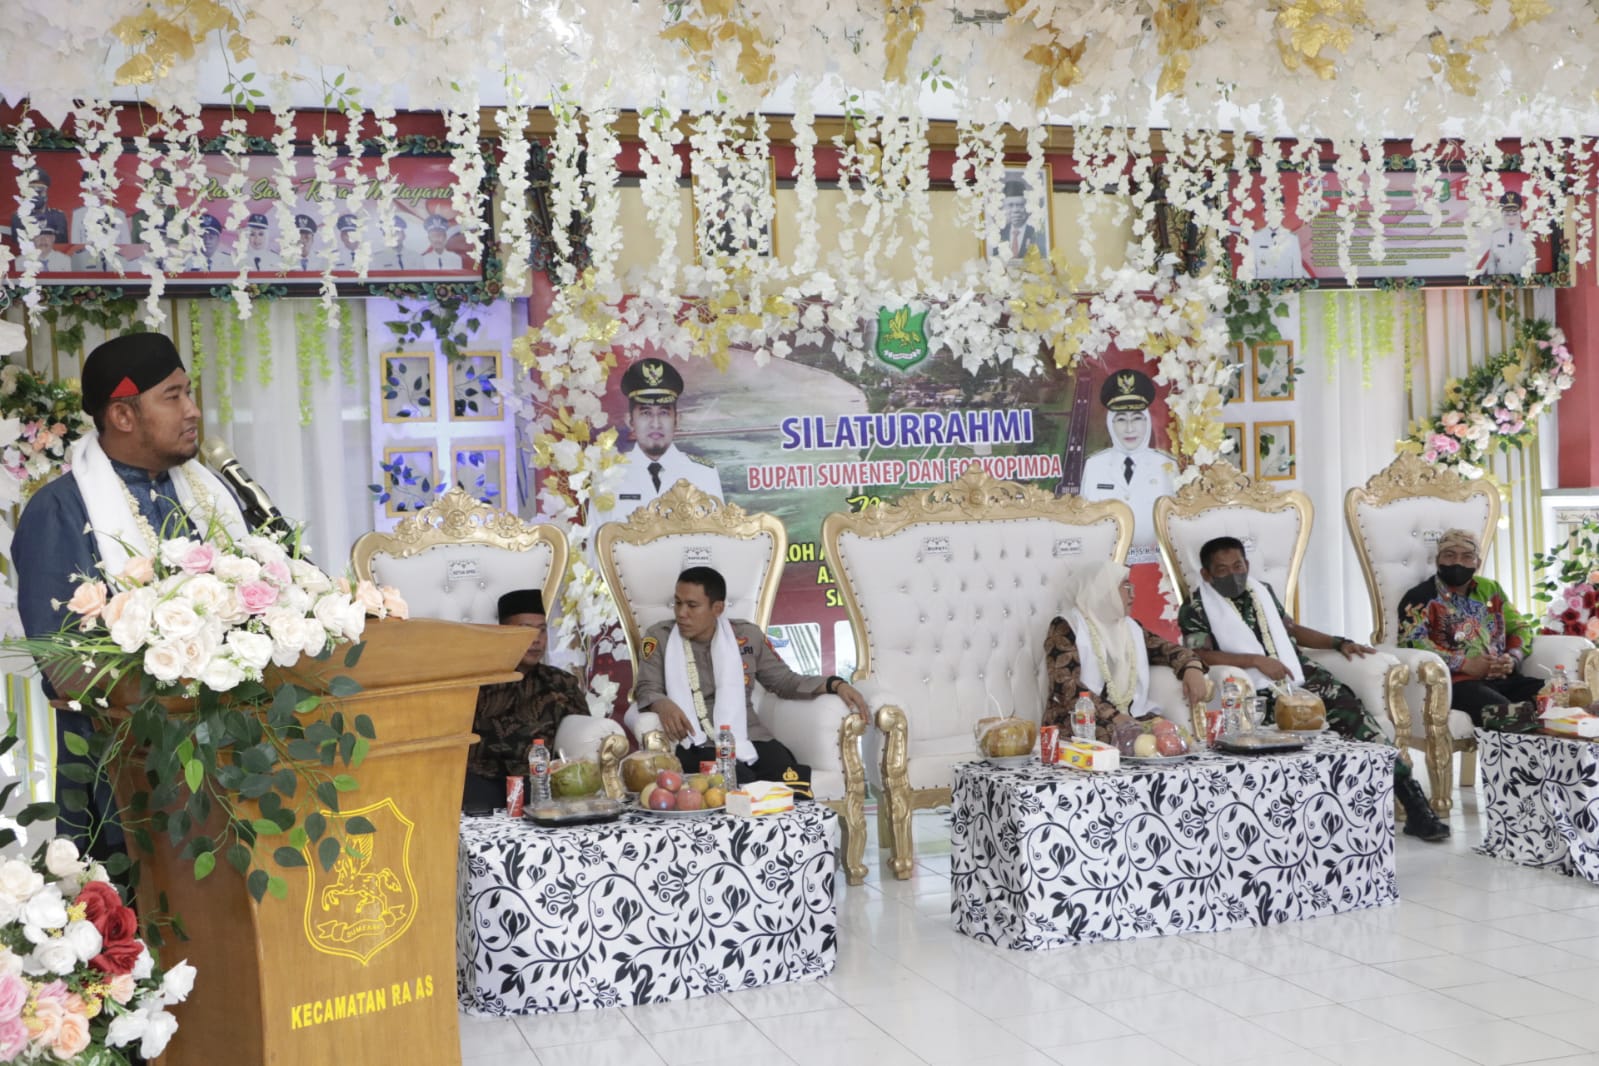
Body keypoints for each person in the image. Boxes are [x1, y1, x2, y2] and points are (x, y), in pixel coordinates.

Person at [13, 333, 249, 863]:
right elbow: (67, 664)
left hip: (236, 764)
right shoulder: (60, 511)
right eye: (173, 396)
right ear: (122, 415)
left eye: (189, 393)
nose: (193, 410)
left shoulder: (208, 493)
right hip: (126, 785)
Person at [1178, 535, 1450, 841]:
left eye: (1238, 566)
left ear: (1247, 565)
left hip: (1300, 675)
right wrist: (1255, 661)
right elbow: (1200, 654)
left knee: (1355, 717)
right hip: (1254, 690)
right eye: (1223, 569)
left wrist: (1338, 642)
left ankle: (1414, 804)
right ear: (1207, 574)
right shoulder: (1196, 607)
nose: (1233, 574)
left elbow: (1291, 630)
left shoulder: (1261, 590)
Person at [634, 566, 868, 786]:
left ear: (717, 608)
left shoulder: (747, 635)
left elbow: (784, 681)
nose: (681, 613)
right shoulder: (660, 637)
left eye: (692, 605)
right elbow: (646, 687)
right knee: (739, 781)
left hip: (749, 735)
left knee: (789, 777)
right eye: (677, 603)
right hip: (696, 741)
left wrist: (834, 684)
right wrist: (663, 704)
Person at [1043, 561, 1208, 742]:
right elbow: (1066, 686)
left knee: (1169, 735)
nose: (1133, 594)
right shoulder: (1067, 626)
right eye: (1126, 587)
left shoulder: (1130, 627)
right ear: (1103, 589)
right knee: (1128, 739)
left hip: (1131, 716)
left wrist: (1192, 665)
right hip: (1081, 719)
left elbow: (1165, 649)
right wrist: (1114, 716)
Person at [1397, 528, 1543, 730]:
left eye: (1467, 556)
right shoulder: (1420, 597)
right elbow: (1411, 642)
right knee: (1511, 716)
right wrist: (1464, 664)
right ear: (1438, 560)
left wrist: (1512, 658)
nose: (1457, 563)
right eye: (1449, 555)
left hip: (1503, 679)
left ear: (1478, 563)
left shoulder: (1490, 589)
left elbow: (1520, 628)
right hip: (1459, 685)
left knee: (1559, 698)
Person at [462, 590, 588, 811]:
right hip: (482, 780)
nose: (536, 639)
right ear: (504, 633)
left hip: (539, 781)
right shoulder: (476, 681)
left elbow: (582, 730)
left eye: (542, 630)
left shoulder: (560, 683)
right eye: (526, 630)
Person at [592, 357, 723, 527]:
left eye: (664, 413)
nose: (655, 423)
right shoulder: (607, 476)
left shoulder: (703, 473)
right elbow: (596, 541)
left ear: (677, 419)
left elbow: (717, 538)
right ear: (630, 420)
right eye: (646, 413)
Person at [1078, 369, 1177, 565]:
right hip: (1106, 564)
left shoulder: (1166, 465)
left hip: (1156, 565)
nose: (1130, 428)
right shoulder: (1094, 465)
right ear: (1110, 423)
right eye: (1121, 419)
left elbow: (1175, 526)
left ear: (1147, 421)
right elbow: (1084, 520)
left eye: (1137, 418)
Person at [989, 176, 1046, 261]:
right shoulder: (998, 235)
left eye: (1020, 205)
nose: (1015, 210)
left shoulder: (1038, 234)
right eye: (1010, 205)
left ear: (1027, 207)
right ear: (1003, 208)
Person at [1485, 191, 1530, 275]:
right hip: (1500, 281)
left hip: (1521, 281)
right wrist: (1492, 280)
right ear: (1502, 215)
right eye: (1507, 214)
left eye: (1515, 214)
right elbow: (1491, 263)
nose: (1511, 219)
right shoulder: (1495, 236)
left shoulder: (1527, 237)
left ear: (1520, 215)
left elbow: (1531, 265)